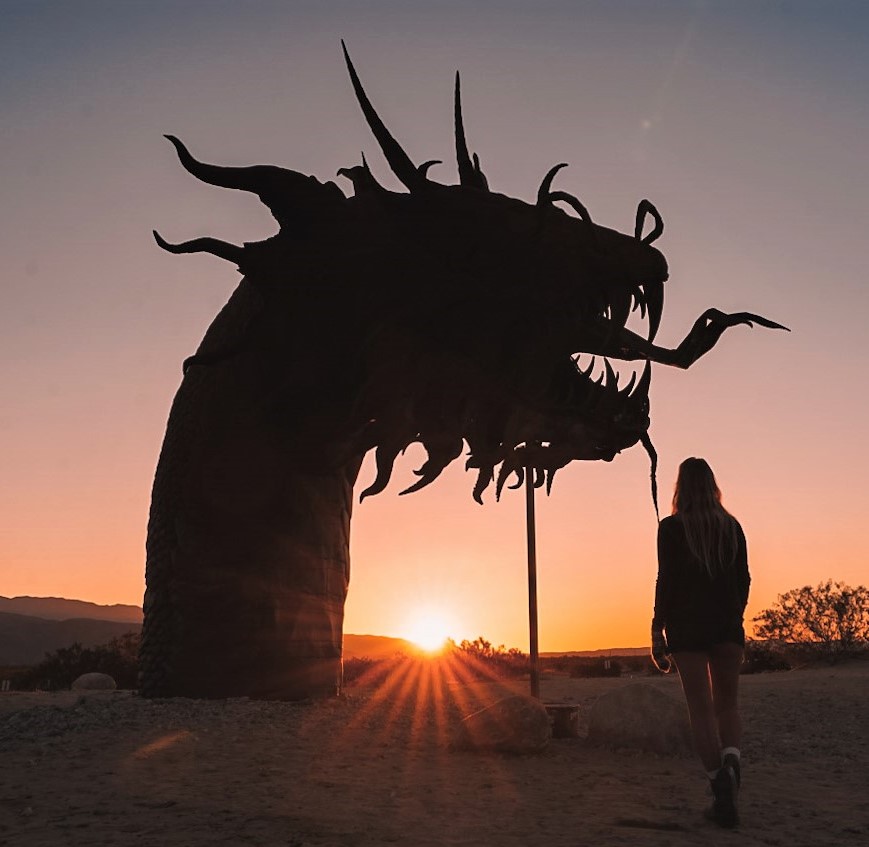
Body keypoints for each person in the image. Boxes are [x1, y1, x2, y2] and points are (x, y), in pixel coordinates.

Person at [650, 457, 750, 829]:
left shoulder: (671, 529)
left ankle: (719, 785)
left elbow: (668, 580)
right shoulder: (732, 527)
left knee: (701, 710)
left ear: (680, 487)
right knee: (728, 706)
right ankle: (732, 762)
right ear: (712, 485)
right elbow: (744, 580)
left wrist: (657, 627)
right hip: (727, 628)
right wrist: (734, 616)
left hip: (688, 631)